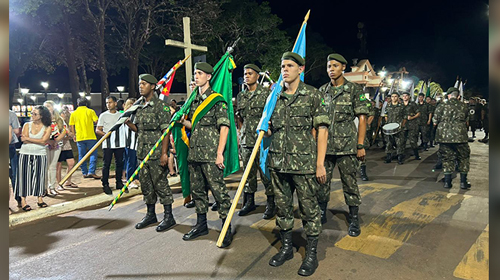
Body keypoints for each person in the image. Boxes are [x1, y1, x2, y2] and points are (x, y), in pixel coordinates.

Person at [265, 52, 329, 276]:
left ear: (300, 69)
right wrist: (265, 130)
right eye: (282, 66)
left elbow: (322, 130)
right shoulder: (274, 96)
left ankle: (311, 254)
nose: (285, 69)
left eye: (290, 65)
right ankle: (287, 248)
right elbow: (272, 127)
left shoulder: (312, 95)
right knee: (282, 209)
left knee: (309, 210)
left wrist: (320, 164)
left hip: (303, 163)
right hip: (278, 163)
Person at [178, 62, 233, 248]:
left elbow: (224, 128)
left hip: (210, 155)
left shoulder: (217, 100)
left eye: (200, 73)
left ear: (209, 77)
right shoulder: (193, 101)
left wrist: (220, 153)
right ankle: (201, 224)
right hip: (194, 154)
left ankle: (226, 227)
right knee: (198, 192)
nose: (196, 76)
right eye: (195, 73)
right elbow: (193, 126)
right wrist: (180, 121)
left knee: (219, 192)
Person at [318, 53, 369, 236]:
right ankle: (321, 211)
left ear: (343, 68)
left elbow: (362, 118)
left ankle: (354, 218)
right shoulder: (322, 91)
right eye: (329, 66)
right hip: (326, 146)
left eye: (335, 66)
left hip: (347, 145)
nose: (331, 69)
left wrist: (360, 145)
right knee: (322, 181)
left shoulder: (354, 90)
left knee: (349, 182)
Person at [125, 74, 176, 232]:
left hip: (156, 152)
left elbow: (166, 131)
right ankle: (150, 214)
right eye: (140, 84)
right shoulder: (139, 106)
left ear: (153, 86)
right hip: (142, 152)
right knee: (146, 185)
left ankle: (169, 216)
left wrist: (164, 153)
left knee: (160, 184)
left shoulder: (161, 106)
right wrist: (127, 123)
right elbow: (139, 130)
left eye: (144, 84)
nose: (141, 86)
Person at [236, 63, 275, 219]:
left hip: (262, 140)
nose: (247, 76)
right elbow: (240, 117)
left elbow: (271, 116)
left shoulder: (266, 94)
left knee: (265, 172)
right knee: (248, 173)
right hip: (247, 139)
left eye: (250, 73)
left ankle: (271, 203)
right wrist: (241, 133)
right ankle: (249, 202)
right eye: (245, 74)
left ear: (257, 76)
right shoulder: (241, 95)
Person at [15, 106, 52, 211]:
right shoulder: (27, 125)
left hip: (40, 154)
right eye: (32, 113)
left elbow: (44, 141)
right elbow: (24, 139)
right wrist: (37, 140)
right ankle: (23, 201)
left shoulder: (47, 127)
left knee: (39, 176)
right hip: (25, 153)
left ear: (41, 116)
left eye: (35, 114)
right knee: (23, 177)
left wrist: (29, 139)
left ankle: (40, 199)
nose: (32, 115)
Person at [433, 87, 471, 189]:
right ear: (458, 96)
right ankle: (463, 182)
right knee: (463, 158)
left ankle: (447, 182)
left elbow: (435, 121)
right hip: (460, 137)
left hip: (444, 137)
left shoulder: (441, 106)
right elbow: (467, 122)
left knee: (447, 158)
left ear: (448, 95)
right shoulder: (464, 106)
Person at [96, 96, 126, 195]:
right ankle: (105, 183)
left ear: (115, 103)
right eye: (107, 103)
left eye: (110, 102)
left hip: (119, 143)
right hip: (108, 144)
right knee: (106, 164)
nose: (108, 105)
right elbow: (98, 129)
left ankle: (119, 182)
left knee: (119, 164)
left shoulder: (120, 115)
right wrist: (106, 135)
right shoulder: (103, 115)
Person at [69, 98, 101, 179]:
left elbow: (71, 125)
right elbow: (97, 121)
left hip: (79, 137)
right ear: (86, 104)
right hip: (91, 136)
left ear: (77, 104)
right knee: (93, 154)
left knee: (82, 156)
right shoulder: (90, 111)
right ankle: (91, 171)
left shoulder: (74, 113)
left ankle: (84, 172)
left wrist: (73, 135)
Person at [43, 101, 68, 196]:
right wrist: (49, 141)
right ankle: (44, 188)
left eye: (48, 106)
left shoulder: (59, 119)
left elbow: (64, 130)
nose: (47, 108)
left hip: (57, 145)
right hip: (45, 145)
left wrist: (57, 140)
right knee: (45, 167)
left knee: (53, 166)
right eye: (45, 107)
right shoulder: (42, 119)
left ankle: (52, 187)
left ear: (53, 108)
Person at [57, 106, 78, 188]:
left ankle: (67, 181)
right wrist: (66, 136)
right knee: (58, 165)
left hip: (66, 145)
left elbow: (69, 133)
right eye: (64, 113)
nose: (65, 115)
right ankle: (59, 183)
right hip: (58, 146)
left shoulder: (65, 123)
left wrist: (73, 136)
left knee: (71, 163)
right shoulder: (56, 122)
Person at [123, 98, 139, 189]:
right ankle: (130, 180)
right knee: (131, 162)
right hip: (130, 143)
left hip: (137, 142)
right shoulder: (127, 115)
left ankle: (136, 179)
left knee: (136, 162)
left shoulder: (136, 114)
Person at [384, 92, 405, 164]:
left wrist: (402, 125)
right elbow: (385, 115)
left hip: (398, 127)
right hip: (389, 127)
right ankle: (388, 157)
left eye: (395, 96)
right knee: (389, 142)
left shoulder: (401, 106)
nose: (394, 98)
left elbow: (405, 117)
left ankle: (400, 158)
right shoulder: (388, 106)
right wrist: (388, 124)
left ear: (398, 97)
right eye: (392, 96)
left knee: (399, 143)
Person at [401, 92, 421, 161]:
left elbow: (418, 113)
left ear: (409, 97)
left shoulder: (413, 104)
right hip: (403, 125)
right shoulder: (400, 105)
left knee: (413, 141)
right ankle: (401, 156)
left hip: (412, 125)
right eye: (403, 96)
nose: (405, 97)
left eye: (406, 96)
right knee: (402, 141)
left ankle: (416, 155)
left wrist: (412, 117)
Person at [9, 109, 22, 208]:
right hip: (10, 146)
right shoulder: (11, 114)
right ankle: (19, 199)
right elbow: (17, 131)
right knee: (14, 174)